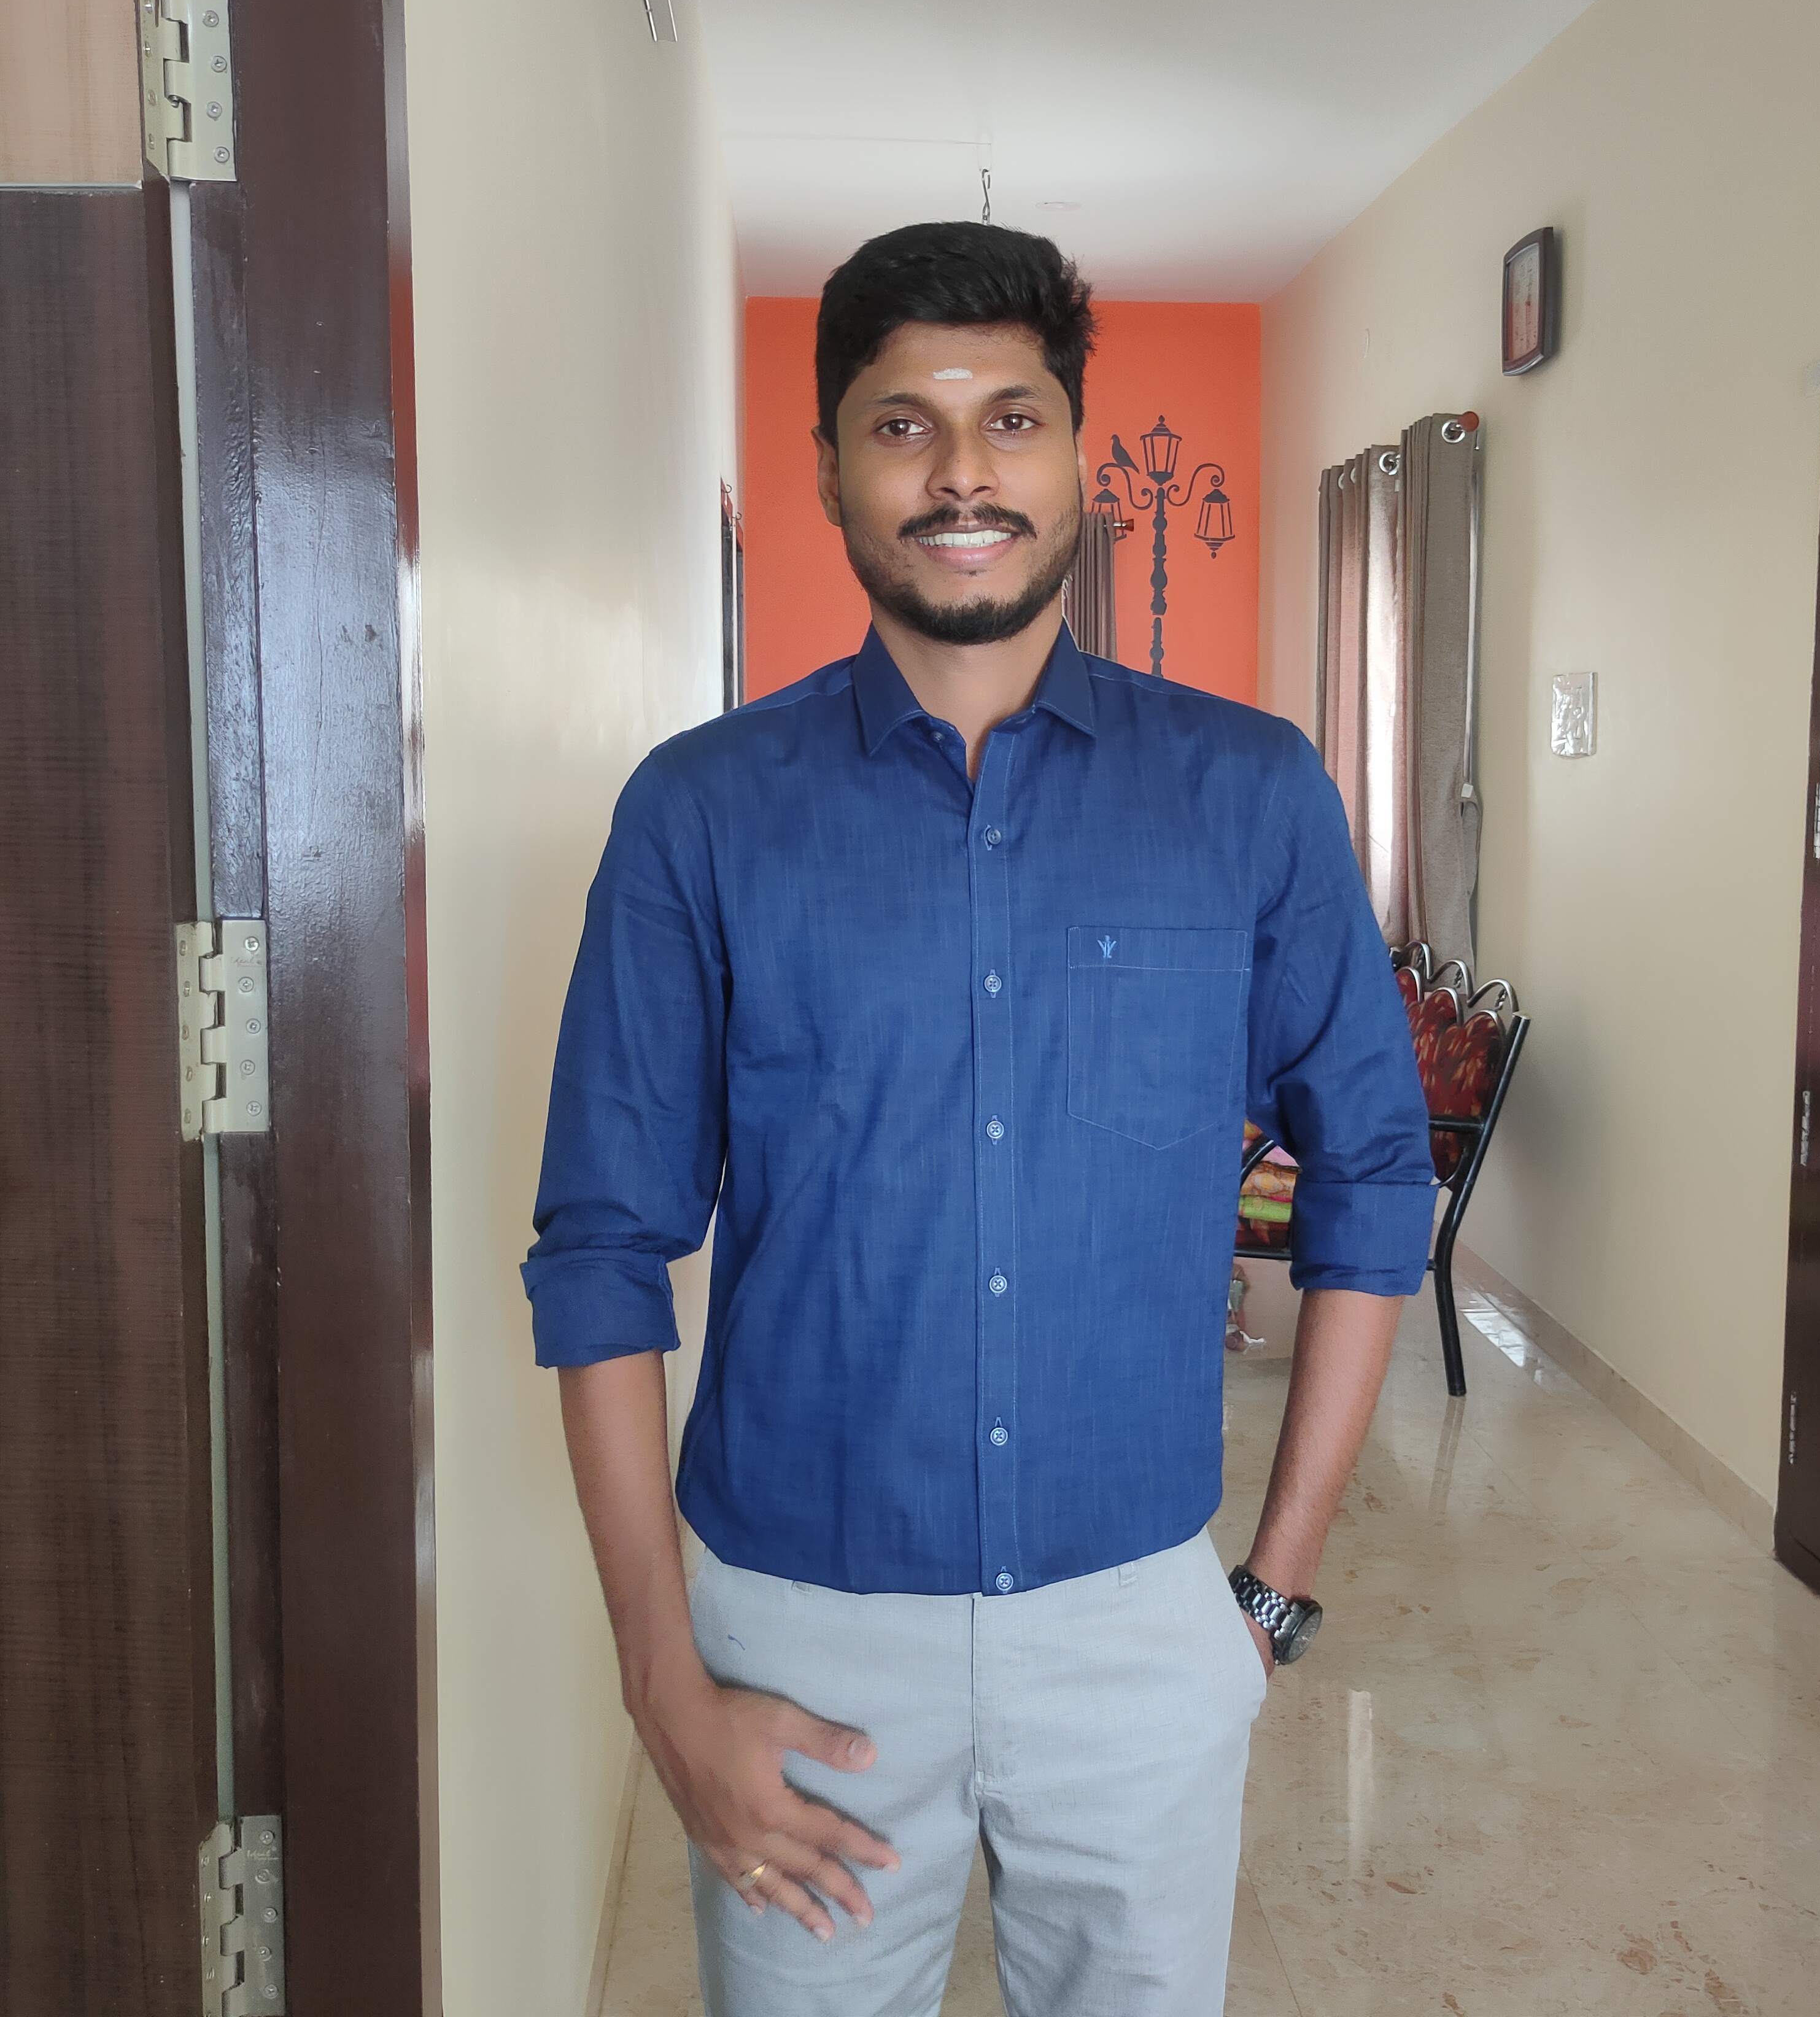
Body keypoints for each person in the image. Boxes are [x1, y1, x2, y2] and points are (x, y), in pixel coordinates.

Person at [524, 220, 1433, 2017]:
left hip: (1138, 1624)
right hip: (799, 1641)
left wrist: (1266, 1599)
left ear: (1079, 456)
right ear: (831, 471)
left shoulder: (1251, 796)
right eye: (902, 425)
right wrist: (663, 1681)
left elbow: (1375, 1176)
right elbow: (602, 1255)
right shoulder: (700, 816)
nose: (961, 473)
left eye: (1011, 419)